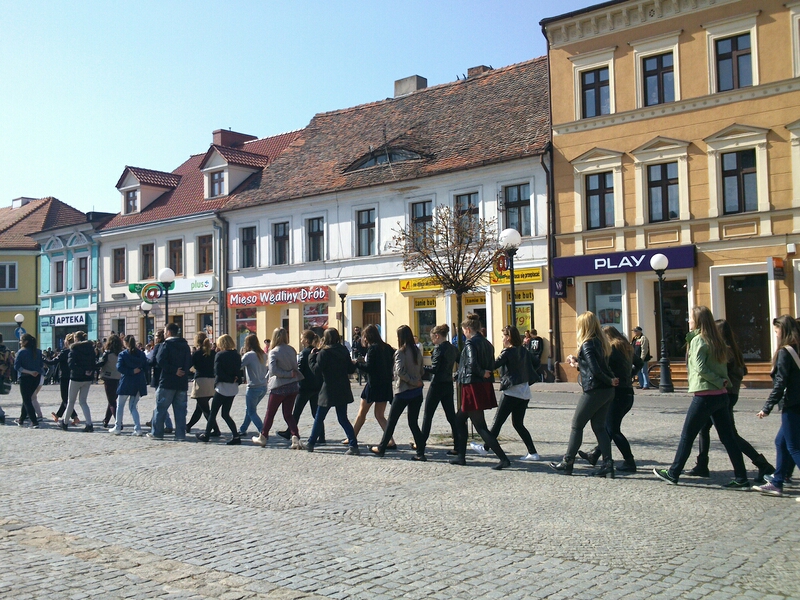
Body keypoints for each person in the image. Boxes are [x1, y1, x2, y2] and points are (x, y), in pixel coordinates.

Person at [654, 306, 749, 488]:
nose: (688, 321)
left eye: (690, 318)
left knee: (687, 435)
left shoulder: (699, 340)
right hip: (721, 395)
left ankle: (673, 473)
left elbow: (700, 368)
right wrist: (723, 381)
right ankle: (741, 477)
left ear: (697, 321)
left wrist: (718, 380)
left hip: (705, 395)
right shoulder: (717, 340)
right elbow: (721, 367)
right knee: (728, 438)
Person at [686, 319, 774, 483]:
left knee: (729, 435)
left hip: (722, 393)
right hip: (726, 393)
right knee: (704, 429)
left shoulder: (724, 351)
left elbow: (717, 370)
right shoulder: (731, 348)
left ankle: (763, 464)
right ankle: (702, 464)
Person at [550, 312, 618, 477]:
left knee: (577, 425)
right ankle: (608, 464)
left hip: (595, 390)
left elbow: (594, 370)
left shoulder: (587, 344)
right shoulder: (601, 342)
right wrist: (577, 363)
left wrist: (608, 380)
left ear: (584, 327)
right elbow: (595, 365)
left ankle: (567, 462)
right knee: (599, 427)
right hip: (607, 391)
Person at [450, 314, 511, 470]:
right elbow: (491, 363)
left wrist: (480, 372)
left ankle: (503, 458)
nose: (463, 333)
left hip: (472, 386)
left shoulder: (470, 344)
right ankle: (461, 456)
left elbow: (471, 364)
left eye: (464, 330)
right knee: (459, 419)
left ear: (468, 329)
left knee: (480, 426)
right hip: (481, 385)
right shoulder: (487, 344)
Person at [578, 325, 637, 472]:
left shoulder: (613, 349)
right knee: (609, 427)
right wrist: (629, 376)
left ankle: (629, 461)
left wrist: (578, 364)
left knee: (612, 429)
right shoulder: (626, 347)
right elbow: (640, 363)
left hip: (618, 393)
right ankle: (595, 455)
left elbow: (601, 367)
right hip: (628, 392)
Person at [752, 315, 800, 496]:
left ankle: (778, 481)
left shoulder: (785, 352)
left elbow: (780, 383)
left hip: (792, 403)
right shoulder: (797, 348)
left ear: (783, 330)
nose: (776, 334)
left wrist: (767, 407)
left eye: (777, 330)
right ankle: (778, 481)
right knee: (781, 442)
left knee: (794, 447)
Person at [476, 325, 539, 462]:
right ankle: (532, 452)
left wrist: (481, 363)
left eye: (503, 336)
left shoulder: (507, 352)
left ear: (508, 337)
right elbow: (536, 362)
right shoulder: (523, 350)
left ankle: (486, 448)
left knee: (498, 422)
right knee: (518, 424)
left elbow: (493, 365)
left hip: (511, 391)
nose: (502, 339)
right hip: (524, 391)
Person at [370, 325, 425, 460]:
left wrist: (411, 380)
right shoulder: (417, 351)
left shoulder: (401, 352)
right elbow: (422, 369)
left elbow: (400, 371)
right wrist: (417, 380)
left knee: (392, 421)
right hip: (417, 391)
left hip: (404, 391)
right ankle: (421, 453)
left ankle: (382, 448)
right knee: (413, 422)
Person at [306, 328, 358, 454]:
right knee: (343, 418)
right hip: (342, 387)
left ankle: (311, 443)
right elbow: (350, 369)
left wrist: (312, 357)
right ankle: (353, 444)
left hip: (328, 388)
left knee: (319, 417)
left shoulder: (324, 353)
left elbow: (316, 370)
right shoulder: (343, 350)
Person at [251, 328, 303, 448]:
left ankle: (263, 436)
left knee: (270, 413)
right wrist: (291, 374)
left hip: (279, 386)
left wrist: (286, 374)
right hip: (293, 385)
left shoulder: (273, 352)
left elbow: (273, 371)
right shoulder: (292, 350)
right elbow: (295, 367)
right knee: (288, 414)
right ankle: (295, 437)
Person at [417, 323, 459, 459]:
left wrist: (421, 369)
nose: (432, 341)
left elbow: (434, 369)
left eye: (432, 338)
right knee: (451, 416)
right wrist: (456, 374)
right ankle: (457, 445)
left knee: (428, 415)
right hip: (448, 384)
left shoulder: (438, 349)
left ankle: (421, 447)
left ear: (437, 336)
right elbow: (461, 361)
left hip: (437, 385)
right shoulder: (453, 348)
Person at [351, 325, 395, 448]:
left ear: (367, 337)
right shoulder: (386, 347)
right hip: (385, 385)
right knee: (380, 415)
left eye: (363, 336)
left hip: (373, 385)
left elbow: (369, 368)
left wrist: (357, 364)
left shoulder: (372, 349)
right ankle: (390, 440)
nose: (362, 339)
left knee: (361, 413)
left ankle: (352, 437)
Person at [278, 330, 325, 443]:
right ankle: (322, 436)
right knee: (316, 412)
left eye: (301, 338)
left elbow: (300, 370)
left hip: (304, 387)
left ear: (306, 340)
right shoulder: (317, 351)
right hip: (316, 386)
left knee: (297, 411)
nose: (300, 340)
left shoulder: (304, 353)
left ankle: (290, 432)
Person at [150, 323, 191, 441]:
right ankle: (180, 435)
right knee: (181, 411)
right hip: (182, 382)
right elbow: (189, 361)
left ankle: (157, 433)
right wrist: (183, 371)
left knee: (160, 408)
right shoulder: (185, 345)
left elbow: (160, 360)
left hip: (167, 382)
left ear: (168, 332)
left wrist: (173, 370)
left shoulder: (166, 345)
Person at [197, 334, 240, 444]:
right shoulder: (236, 355)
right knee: (225, 413)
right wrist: (234, 379)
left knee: (213, 413)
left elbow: (218, 372)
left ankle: (206, 434)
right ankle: (236, 436)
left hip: (222, 386)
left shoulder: (220, 355)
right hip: (233, 388)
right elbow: (238, 371)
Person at [60, 330, 96, 432]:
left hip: (76, 378)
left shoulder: (74, 349)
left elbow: (71, 365)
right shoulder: (91, 349)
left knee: (71, 401)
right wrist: (89, 371)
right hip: (88, 378)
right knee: (83, 401)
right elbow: (94, 363)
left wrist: (82, 371)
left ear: (76, 339)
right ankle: (89, 424)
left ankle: (65, 422)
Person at [111, 335, 147, 436]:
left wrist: (130, 371)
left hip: (126, 381)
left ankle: (118, 427)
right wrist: (138, 370)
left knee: (120, 405)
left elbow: (119, 368)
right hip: (138, 382)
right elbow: (146, 366)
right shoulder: (141, 354)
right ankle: (138, 428)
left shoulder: (123, 354)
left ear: (125, 343)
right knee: (133, 406)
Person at [186, 332, 220, 436]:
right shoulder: (213, 353)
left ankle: (215, 429)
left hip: (201, 381)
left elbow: (189, 365)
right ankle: (188, 426)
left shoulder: (197, 353)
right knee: (200, 407)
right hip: (212, 382)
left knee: (205, 409)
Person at [238, 334, 268, 437]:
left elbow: (239, 366)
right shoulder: (263, 354)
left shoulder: (249, 355)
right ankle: (243, 429)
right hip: (263, 386)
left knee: (251, 411)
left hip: (253, 387)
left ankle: (263, 430)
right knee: (250, 409)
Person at [14, 333, 43, 428]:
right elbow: (41, 365)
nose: (20, 342)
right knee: (27, 398)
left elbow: (17, 366)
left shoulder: (21, 352)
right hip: (36, 377)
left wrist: (29, 372)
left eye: (21, 340)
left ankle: (34, 421)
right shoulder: (38, 351)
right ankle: (21, 419)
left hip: (25, 377)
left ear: (25, 342)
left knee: (27, 400)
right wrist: (35, 372)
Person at [48, 334, 78, 425]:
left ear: (67, 342)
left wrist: (42, 359)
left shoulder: (65, 352)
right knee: (67, 398)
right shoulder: (76, 351)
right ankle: (58, 415)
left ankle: (75, 417)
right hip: (73, 376)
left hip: (64, 377)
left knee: (65, 398)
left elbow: (53, 361)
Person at [97, 335, 123, 429]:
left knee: (111, 402)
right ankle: (106, 420)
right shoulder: (121, 353)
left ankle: (118, 422)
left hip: (108, 378)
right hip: (119, 377)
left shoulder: (107, 353)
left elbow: (101, 363)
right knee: (112, 400)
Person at [0, 333, 12, 424]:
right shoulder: (7, 350)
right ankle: (1, 414)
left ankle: (1, 415)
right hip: (4, 376)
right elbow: (11, 362)